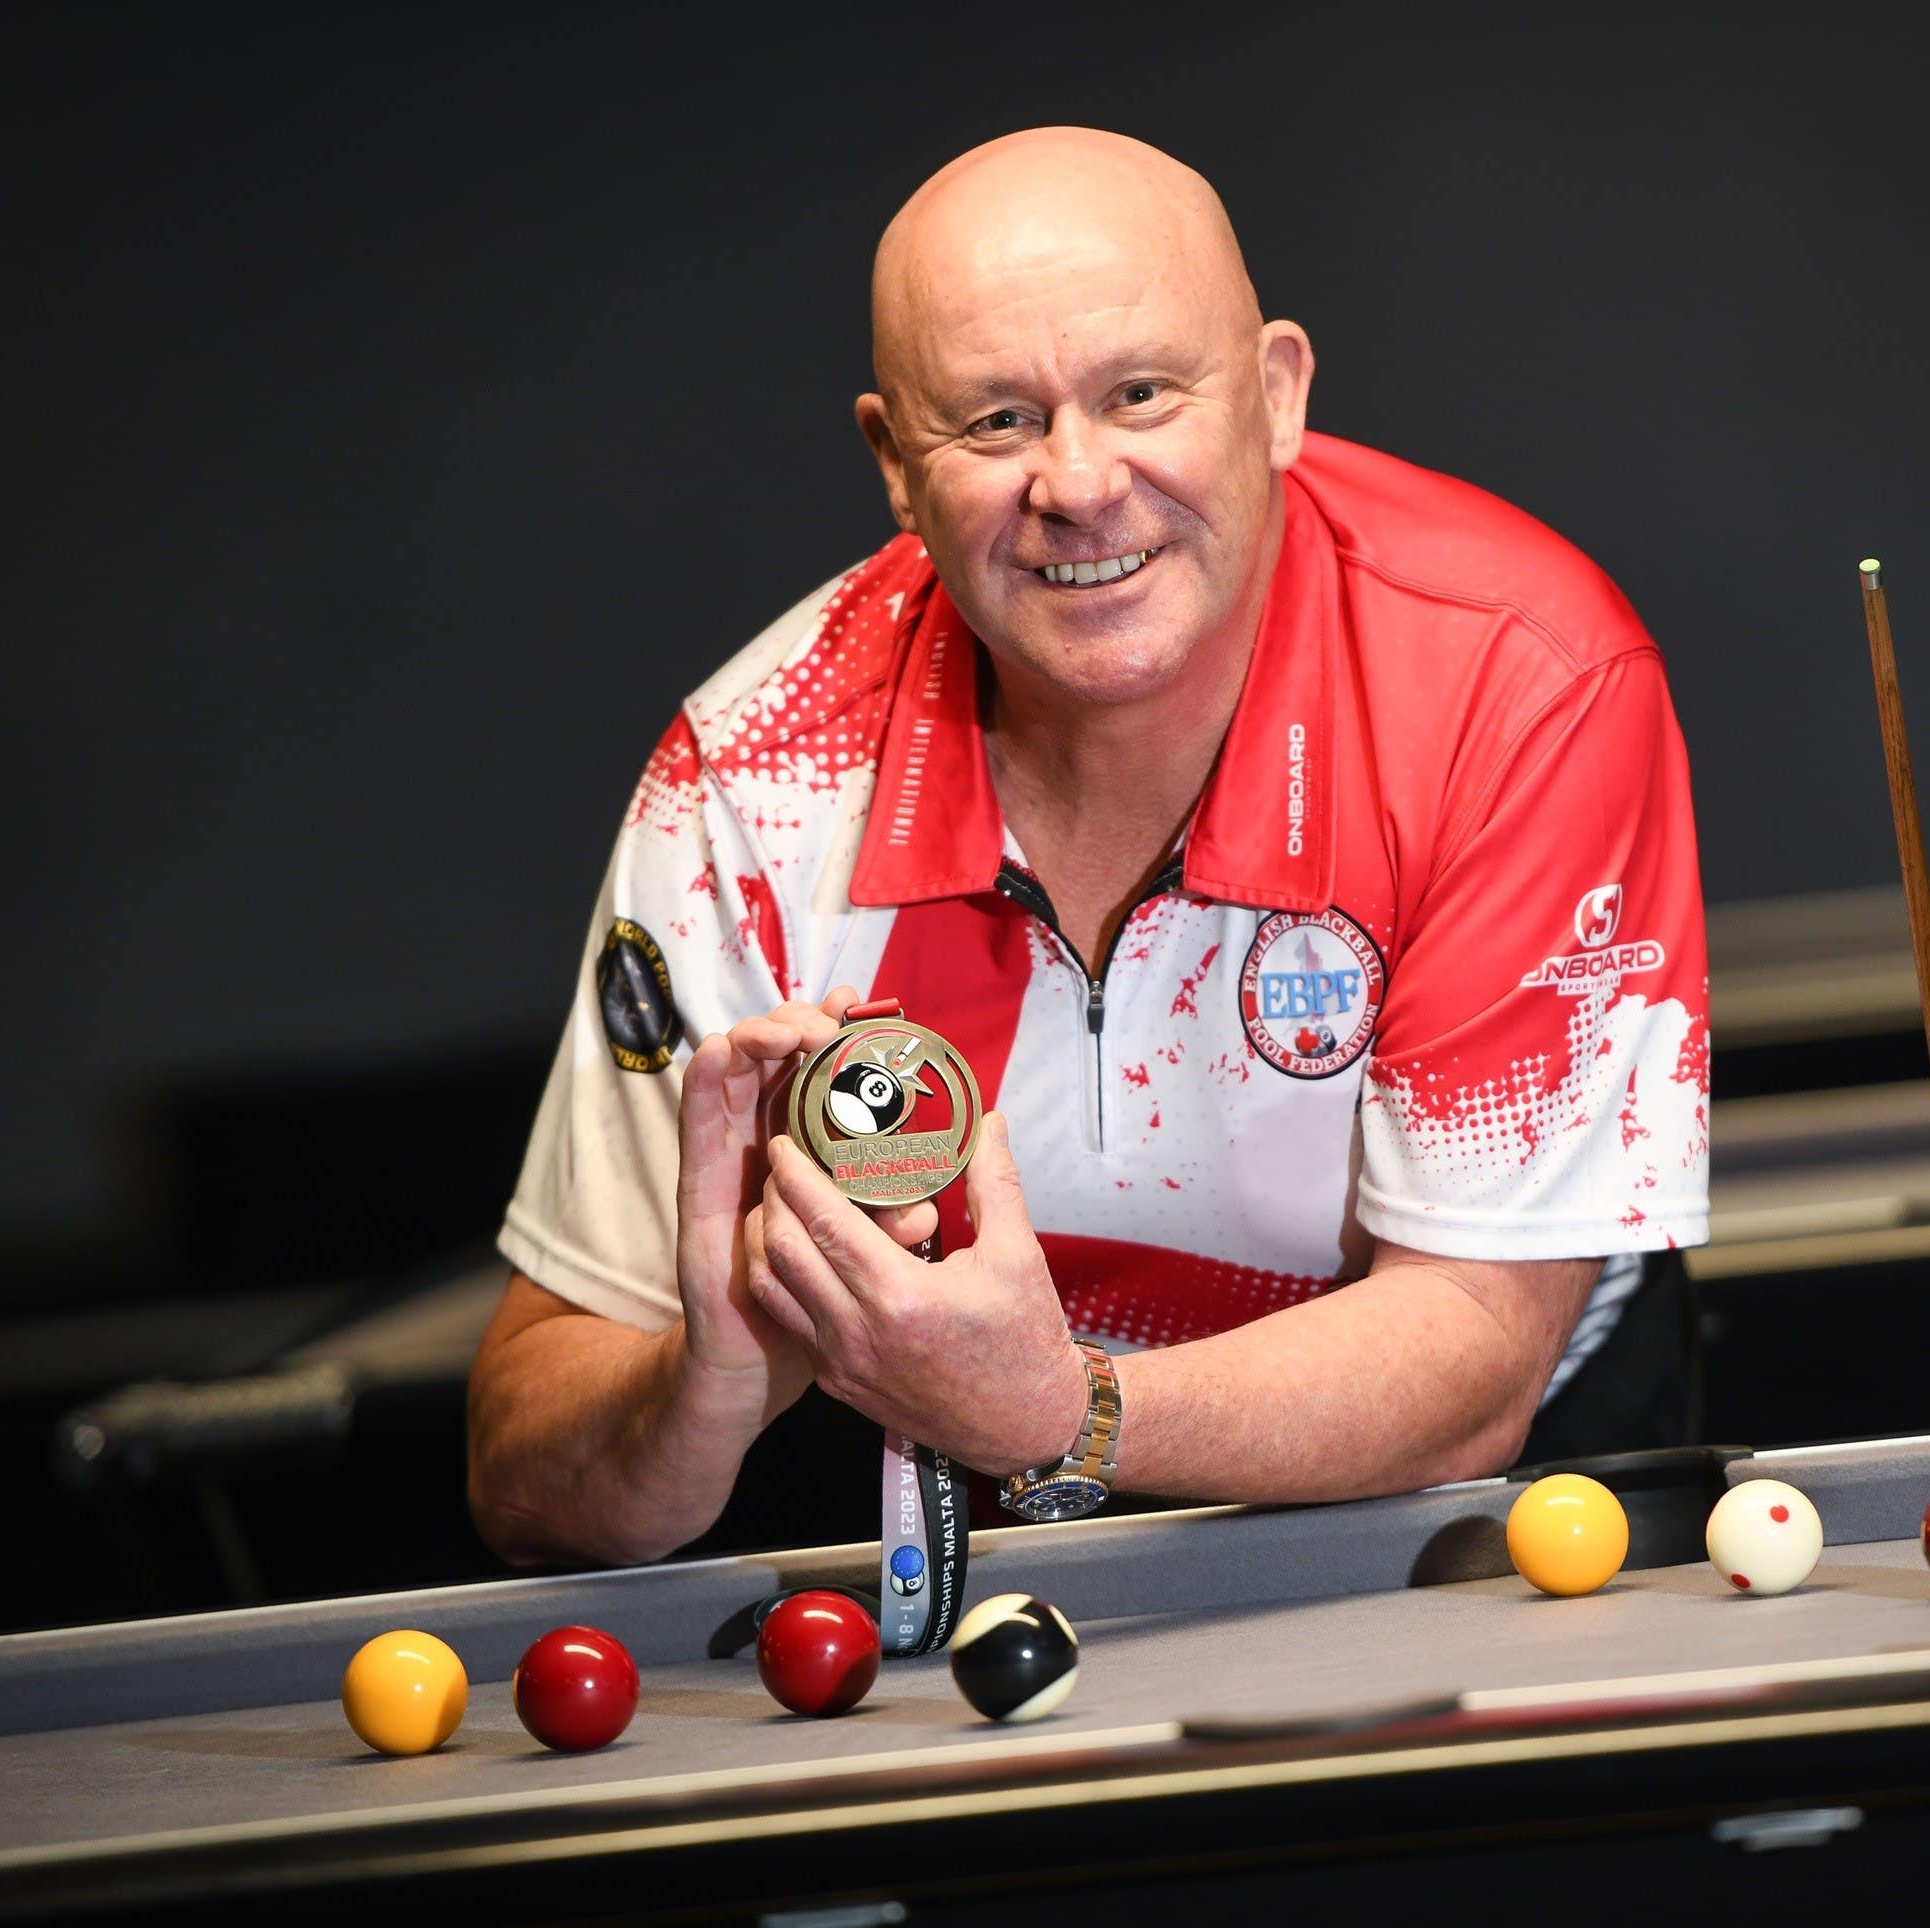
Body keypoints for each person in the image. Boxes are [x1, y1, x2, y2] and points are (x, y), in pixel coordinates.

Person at [468, 127, 1707, 1567]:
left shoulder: (1527, 683)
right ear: (892, 462)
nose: (1079, 483)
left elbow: (1477, 1360)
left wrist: (1062, 1411)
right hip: (965, 1523)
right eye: (995, 421)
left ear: (1277, 393)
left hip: (1496, 1509)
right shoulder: (751, 776)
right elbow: (525, 1476)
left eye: (1140, 393)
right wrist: (708, 1382)